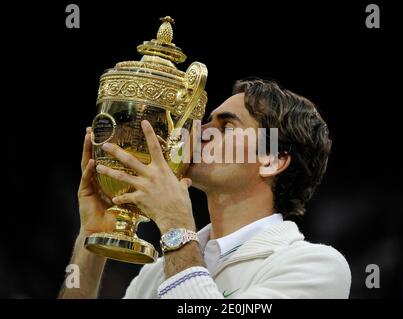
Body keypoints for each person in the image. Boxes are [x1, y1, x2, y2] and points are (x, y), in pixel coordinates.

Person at [59, 79, 351, 299]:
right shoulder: (154, 275)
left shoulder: (316, 267)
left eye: (226, 127)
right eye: (207, 121)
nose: (198, 133)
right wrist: (93, 237)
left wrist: (175, 224)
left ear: (272, 159)